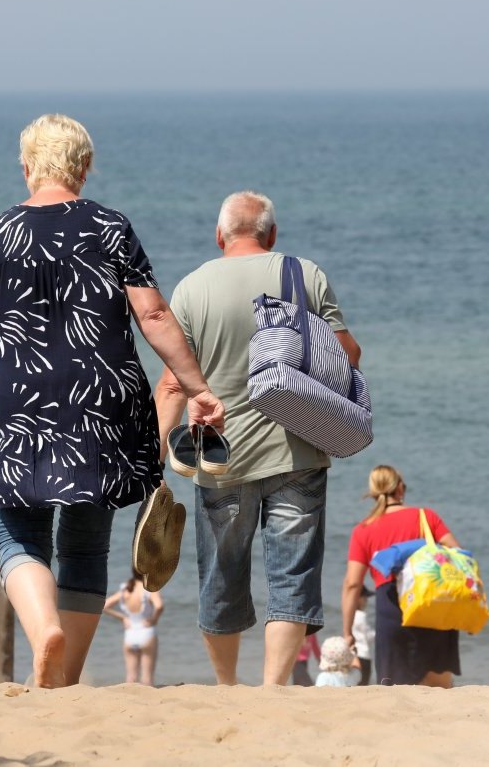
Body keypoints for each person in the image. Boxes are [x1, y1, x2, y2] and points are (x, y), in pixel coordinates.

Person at [0, 113, 224, 689]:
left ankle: (45, 636)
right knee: (87, 544)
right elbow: (155, 315)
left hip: (20, 402)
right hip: (103, 406)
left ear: (27, 167)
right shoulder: (111, 227)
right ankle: (63, 679)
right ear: (84, 168)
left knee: (18, 534)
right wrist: (199, 387)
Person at [154, 190, 361, 686]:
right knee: (292, 574)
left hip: (219, 455)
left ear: (220, 235)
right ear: (271, 235)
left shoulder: (190, 289)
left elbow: (170, 384)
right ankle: (273, 688)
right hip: (299, 448)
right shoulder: (303, 274)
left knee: (221, 575)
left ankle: (228, 687)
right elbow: (346, 354)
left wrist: (155, 456)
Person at [341, 465, 461, 688]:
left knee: (394, 689)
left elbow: (353, 583)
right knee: (440, 689)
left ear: (374, 493)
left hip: (391, 607)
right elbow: (456, 552)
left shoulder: (364, 530)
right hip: (433, 603)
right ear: (400, 488)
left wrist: (348, 632)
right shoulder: (427, 517)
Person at [102, 573, 163, 686]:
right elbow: (159, 606)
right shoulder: (150, 588)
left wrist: (123, 618)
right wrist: (153, 619)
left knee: (131, 678)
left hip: (130, 634)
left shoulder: (126, 588)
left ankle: (129, 702)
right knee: (147, 678)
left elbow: (104, 605)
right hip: (146, 632)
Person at [352, 586, 375, 686]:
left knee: (356, 682)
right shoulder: (361, 615)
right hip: (363, 654)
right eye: (365, 598)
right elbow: (368, 636)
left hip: (353, 654)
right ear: (358, 599)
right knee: (364, 682)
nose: (366, 601)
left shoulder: (350, 615)